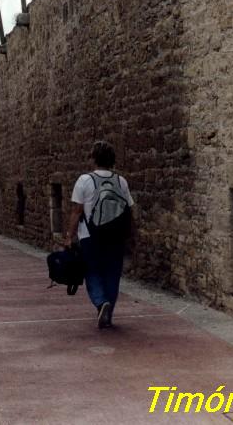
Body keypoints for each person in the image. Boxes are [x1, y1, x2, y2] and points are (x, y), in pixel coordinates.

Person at [66, 141, 135, 329]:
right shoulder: (121, 181)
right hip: (116, 237)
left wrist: (69, 235)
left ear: (94, 159)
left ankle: (100, 302)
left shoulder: (84, 180)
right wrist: (131, 235)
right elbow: (130, 209)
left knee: (92, 271)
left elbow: (77, 210)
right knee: (112, 274)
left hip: (90, 236)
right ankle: (108, 313)